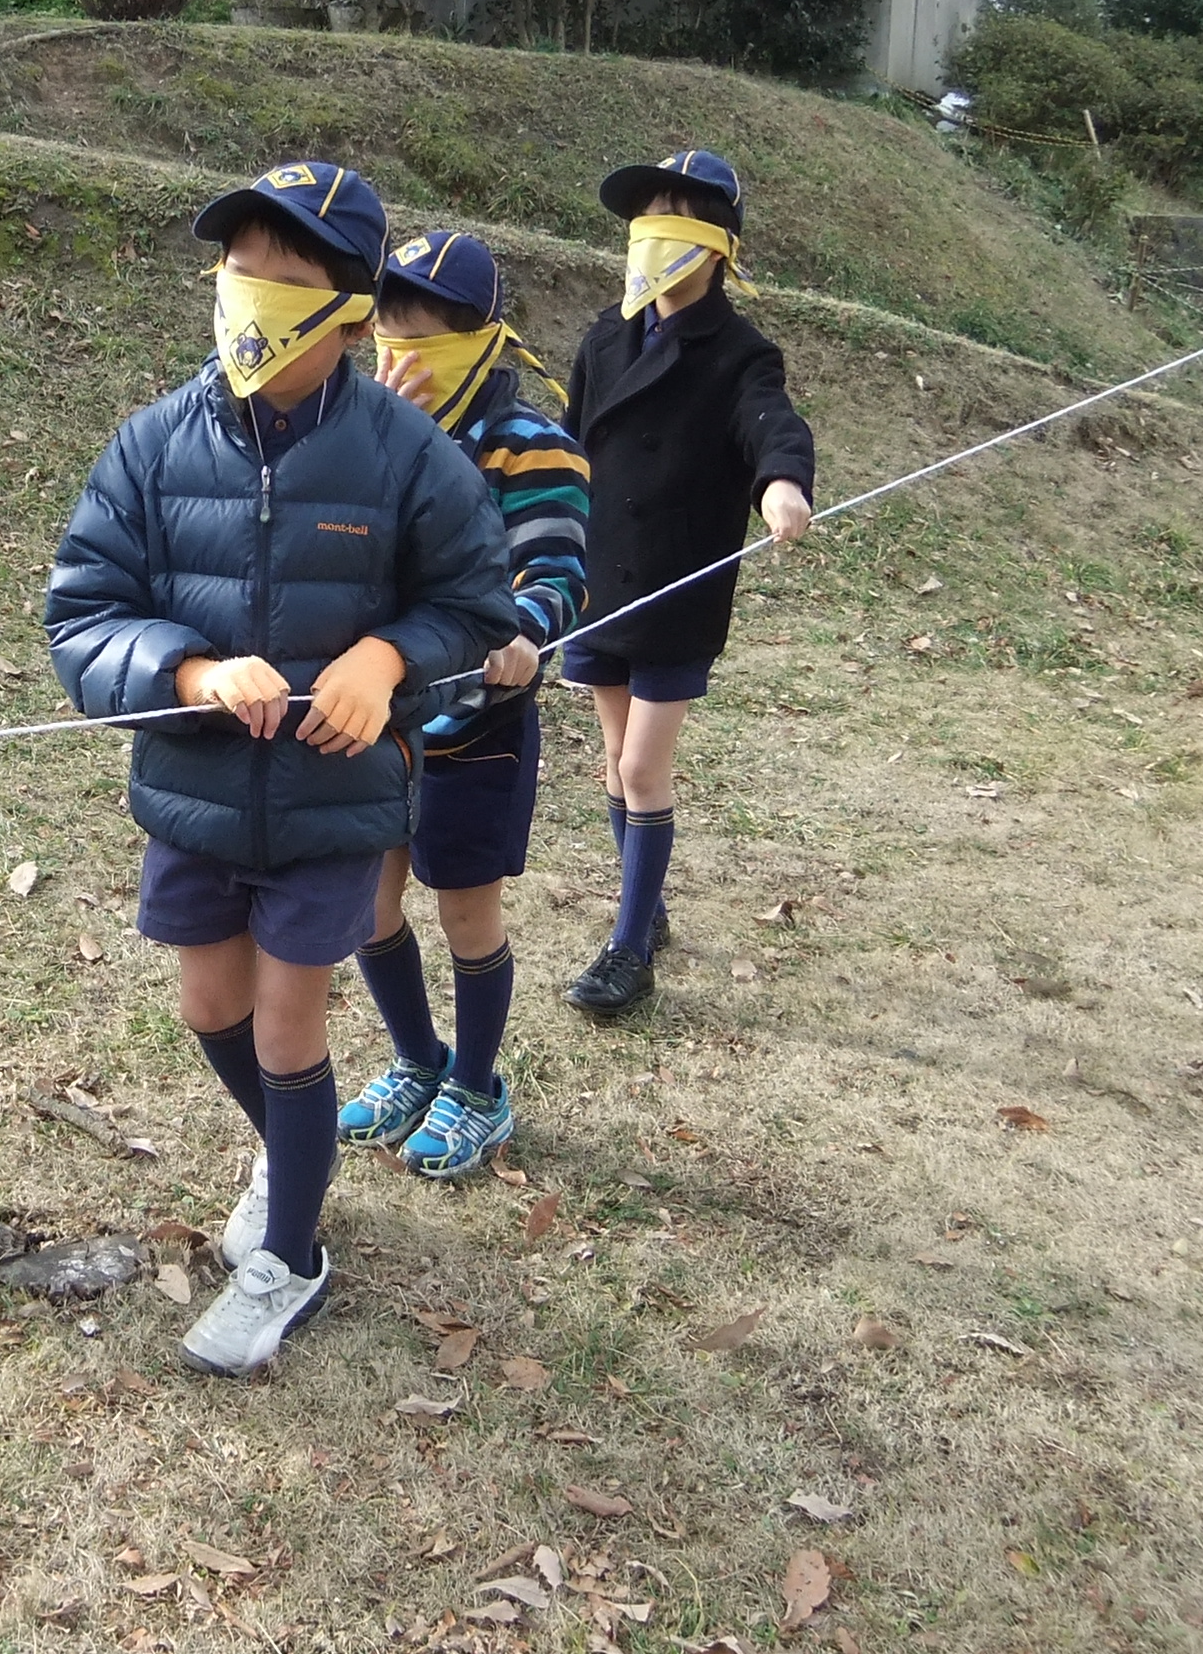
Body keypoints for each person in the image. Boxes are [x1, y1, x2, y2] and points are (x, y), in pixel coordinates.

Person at [47, 163, 514, 1375]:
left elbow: (474, 602)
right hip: (195, 794)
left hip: (333, 804)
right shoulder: (151, 445)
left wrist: (382, 656)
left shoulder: (407, 453)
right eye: (239, 269)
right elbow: (83, 614)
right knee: (212, 1009)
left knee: (288, 1025)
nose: (251, 298)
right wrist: (189, 674)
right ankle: (294, 1155)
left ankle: (291, 1256)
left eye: (288, 278)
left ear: (352, 313)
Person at [338, 231, 587, 1178]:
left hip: (476, 722)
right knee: (368, 903)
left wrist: (525, 633)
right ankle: (416, 1061)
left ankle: (478, 1087)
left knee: (466, 915)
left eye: (426, 337)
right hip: (375, 715)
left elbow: (557, 567)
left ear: (484, 340)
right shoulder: (358, 429)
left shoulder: (532, 448)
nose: (401, 358)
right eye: (387, 333)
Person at [561, 151, 813, 1022]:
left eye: (677, 220)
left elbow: (770, 423)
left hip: (675, 588)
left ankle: (630, 948)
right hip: (599, 581)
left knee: (642, 764)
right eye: (645, 221)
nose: (653, 238)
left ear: (720, 247)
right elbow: (567, 443)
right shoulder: (604, 336)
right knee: (613, 756)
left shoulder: (740, 353)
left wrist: (782, 481)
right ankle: (648, 902)